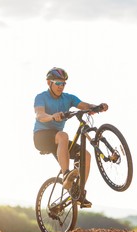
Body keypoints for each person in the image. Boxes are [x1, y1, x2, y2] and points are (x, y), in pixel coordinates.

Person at [33, 67, 108, 208]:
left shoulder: (68, 98)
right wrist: (52, 116)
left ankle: (79, 192)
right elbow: (39, 115)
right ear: (49, 83)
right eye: (58, 83)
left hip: (59, 140)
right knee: (63, 135)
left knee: (86, 155)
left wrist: (96, 107)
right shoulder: (41, 97)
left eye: (63, 84)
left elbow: (83, 105)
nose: (61, 87)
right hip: (41, 137)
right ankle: (66, 173)